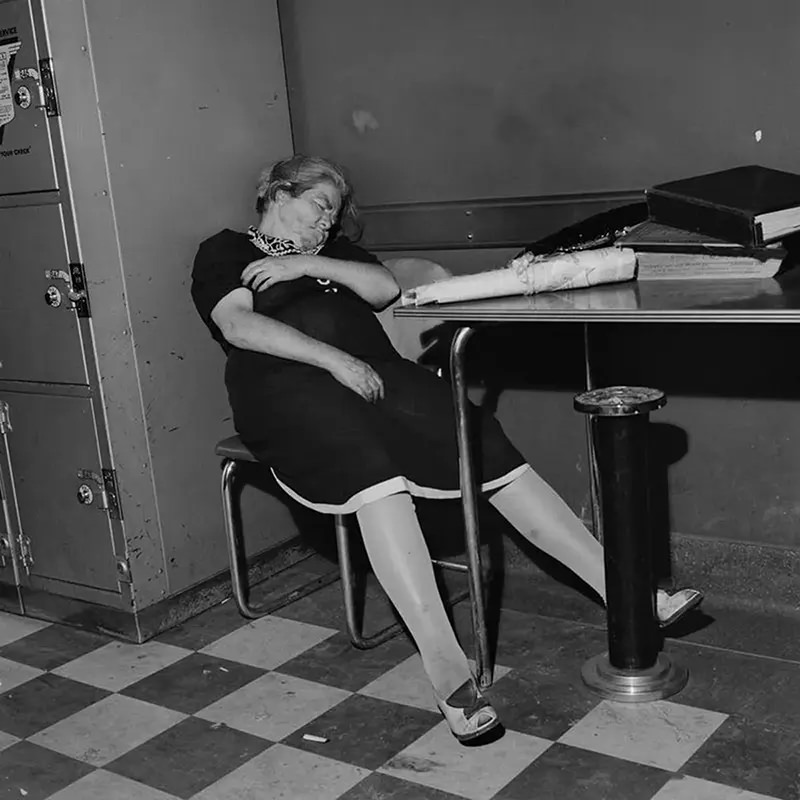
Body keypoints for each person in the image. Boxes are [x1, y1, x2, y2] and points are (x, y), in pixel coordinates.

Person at [191, 154, 702, 744]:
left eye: (333, 214)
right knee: (372, 475)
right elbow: (239, 326)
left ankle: (629, 596)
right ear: (280, 193)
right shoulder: (226, 250)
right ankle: (447, 672)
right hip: (286, 387)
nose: (327, 222)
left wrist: (305, 261)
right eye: (319, 206)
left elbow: (384, 289)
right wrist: (335, 360)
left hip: (379, 378)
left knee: (482, 441)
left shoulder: (333, 253)